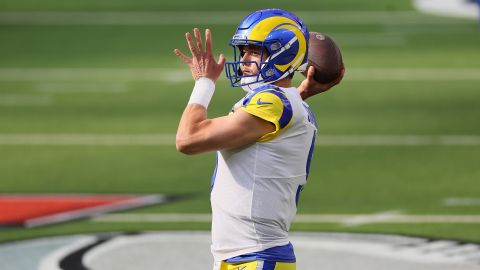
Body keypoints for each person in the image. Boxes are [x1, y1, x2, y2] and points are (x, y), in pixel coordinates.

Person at [174, 8, 344, 270]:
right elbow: (283, 109)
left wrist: (204, 82)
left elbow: (188, 138)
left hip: (256, 257)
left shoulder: (274, 103)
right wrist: (300, 92)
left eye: (254, 50)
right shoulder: (285, 103)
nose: (244, 60)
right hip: (245, 256)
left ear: (284, 52)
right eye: (243, 51)